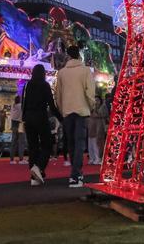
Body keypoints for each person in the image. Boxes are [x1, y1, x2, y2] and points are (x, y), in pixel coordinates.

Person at [54, 45, 95, 188]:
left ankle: (74, 174)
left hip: (67, 111)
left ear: (68, 56)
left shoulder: (62, 73)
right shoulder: (85, 71)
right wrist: (91, 106)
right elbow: (90, 92)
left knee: (70, 143)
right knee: (79, 143)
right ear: (79, 55)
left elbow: (57, 94)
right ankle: (76, 175)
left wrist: (62, 108)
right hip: (82, 111)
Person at [23, 64, 60, 186]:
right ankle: (38, 167)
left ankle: (34, 177)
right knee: (47, 144)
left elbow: (24, 101)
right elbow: (51, 104)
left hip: (28, 118)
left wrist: (24, 118)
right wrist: (60, 118)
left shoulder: (27, 85)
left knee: (33, 146)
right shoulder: (45, 85)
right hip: (41, 116)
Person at [86, 96, 106, 165]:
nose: (96, 102)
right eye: (95, 100)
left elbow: (104, 115)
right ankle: (92, 158)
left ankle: (99, 158)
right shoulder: (91, 108)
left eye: (97, 100)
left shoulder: (102, 107)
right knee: (91, 143)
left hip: (99, 126)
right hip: (91, 126)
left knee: (98, 143)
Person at [9, 95, 27, 164]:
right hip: (20, 125)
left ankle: (11, 159)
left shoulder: (13, 106)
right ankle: (21, 159)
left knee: (13, 142)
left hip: (13, 125)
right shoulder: (21, 106)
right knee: (21, 143)